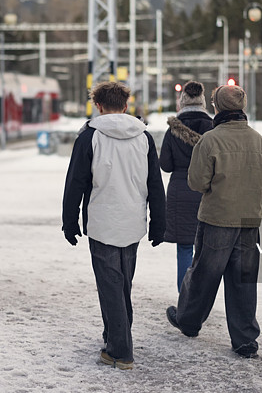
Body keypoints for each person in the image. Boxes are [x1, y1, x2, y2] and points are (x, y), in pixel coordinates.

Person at [62, 81, 166, 371]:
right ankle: (114, 338)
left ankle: (121, 351)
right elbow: (155, 184)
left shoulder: (89, 137)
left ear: (98, 106)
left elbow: (75, 183)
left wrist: (69, 221)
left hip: (102, 222)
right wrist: (159, 223)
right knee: (122, 286)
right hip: (133, 222)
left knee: (110, 287)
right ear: (125, 105)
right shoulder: (144, 137)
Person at [165, 84, 262, 359]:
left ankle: (188, 321)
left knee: (203, 275)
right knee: (244, 281)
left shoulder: (211, 140)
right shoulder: (258, 140)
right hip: (250, 222)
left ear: (218, 108)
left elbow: (197, 181)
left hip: (217, 220)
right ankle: (245, 339)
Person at [159, 81, 214, 292]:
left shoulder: (172, 129)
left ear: (182, 103)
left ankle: (185, 297)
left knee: (184, 248)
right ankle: (201, 299)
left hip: (180, 192)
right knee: (205, 250)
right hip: (207, 193)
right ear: (202, 102)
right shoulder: (213, 128)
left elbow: (165, 165)